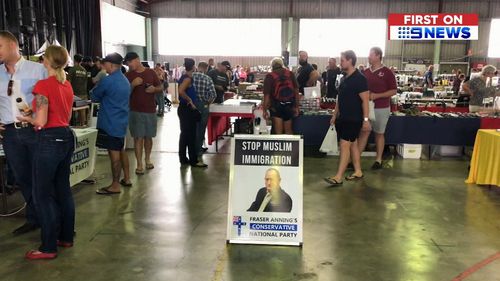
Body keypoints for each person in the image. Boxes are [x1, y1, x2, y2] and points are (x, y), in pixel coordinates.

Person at [16, 45, 75, 260]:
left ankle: (48, 246)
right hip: (66, 136)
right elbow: (63, 114)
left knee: (42, 194)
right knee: (63, 189)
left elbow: (40, 121)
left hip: (49, 139)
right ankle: (66, 236)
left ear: (46, 62)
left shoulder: (43, 85)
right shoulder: (65, 84)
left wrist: (27, 118)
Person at [0, 30, 47, 236]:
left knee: (42, 177)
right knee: (23, 177)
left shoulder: (38, 70)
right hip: (10, 134)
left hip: (35, 131)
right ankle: (34, 218)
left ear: (13, 45)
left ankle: (51, 221)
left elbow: (50, 99)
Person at [324, 50, 371, 186]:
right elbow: (340, 99)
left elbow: (365, 101)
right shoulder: (344, 78)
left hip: (353, 119)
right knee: (353, 145)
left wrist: (366, 120)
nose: (340, 62)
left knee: (344, 145)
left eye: (342, 60)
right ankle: (358, 171)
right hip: (344, 117)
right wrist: (334, 114)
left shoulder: (360, 79)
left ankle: (338, 177)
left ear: (350, 60)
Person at [90, 53, 132, 195]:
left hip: (110, 122)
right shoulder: (124, 80)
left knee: (114, 156)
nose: (103, 66)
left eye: (104, 64)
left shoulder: (109, 81)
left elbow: (94, 96)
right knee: (120, 151)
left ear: (111, 65)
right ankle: (126, 178)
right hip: (120, 121)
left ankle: (115, 185)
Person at [357, 47, 397, 170]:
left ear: (378, 56)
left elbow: (393, 91)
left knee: (379, 133)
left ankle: (378, 160)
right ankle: (355, 159)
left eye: (371, 55)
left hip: (381, 108)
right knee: (363, 132)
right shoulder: (365, 72)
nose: (368, 57)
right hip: (366, 108)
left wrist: (376, 95)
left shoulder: (387, 72)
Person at [124, 52, 163, 175]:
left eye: (130, 62)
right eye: (128, 63)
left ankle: (147, 159)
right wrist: (132, 85)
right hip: (135, 111)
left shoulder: (151, 72)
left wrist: (154, 89)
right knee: (138, 137)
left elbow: (161, 86)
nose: (129, 65)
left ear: (137, 60)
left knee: (148, 137)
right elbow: (124, 94)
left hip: (150, 110)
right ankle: (139, 163)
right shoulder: (128, 75)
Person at [177, 58, 207, 168]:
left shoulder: (184, 77)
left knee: (184, 134)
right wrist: (190, 100)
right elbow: (181, 91)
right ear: (193, 67)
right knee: (190, 135)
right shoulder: (188, 79)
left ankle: (183, 158)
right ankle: (193, 160)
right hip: (187, 109)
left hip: (184, 108)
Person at [262, 57, 300, 134]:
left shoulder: (270, 76)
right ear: (282, 64)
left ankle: (279, 145)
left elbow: (267, 96)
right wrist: (296, 106)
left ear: (272, 66)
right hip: (289, 105)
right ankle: (291, 145)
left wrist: (264, 110)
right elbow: (296, 91)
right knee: (288, 130)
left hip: (276, 107)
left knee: (278, 131)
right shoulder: (290, 74)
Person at [192, 61, 217, 164]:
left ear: (197, 67)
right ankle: (198, 151)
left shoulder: (190, 77)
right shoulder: (207, 79)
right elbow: (213, 95)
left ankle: (190, 150)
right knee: (201, 129)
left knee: (191, 128)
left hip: (190, 105)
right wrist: (207, 103)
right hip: (203, 105)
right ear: (206, 69)